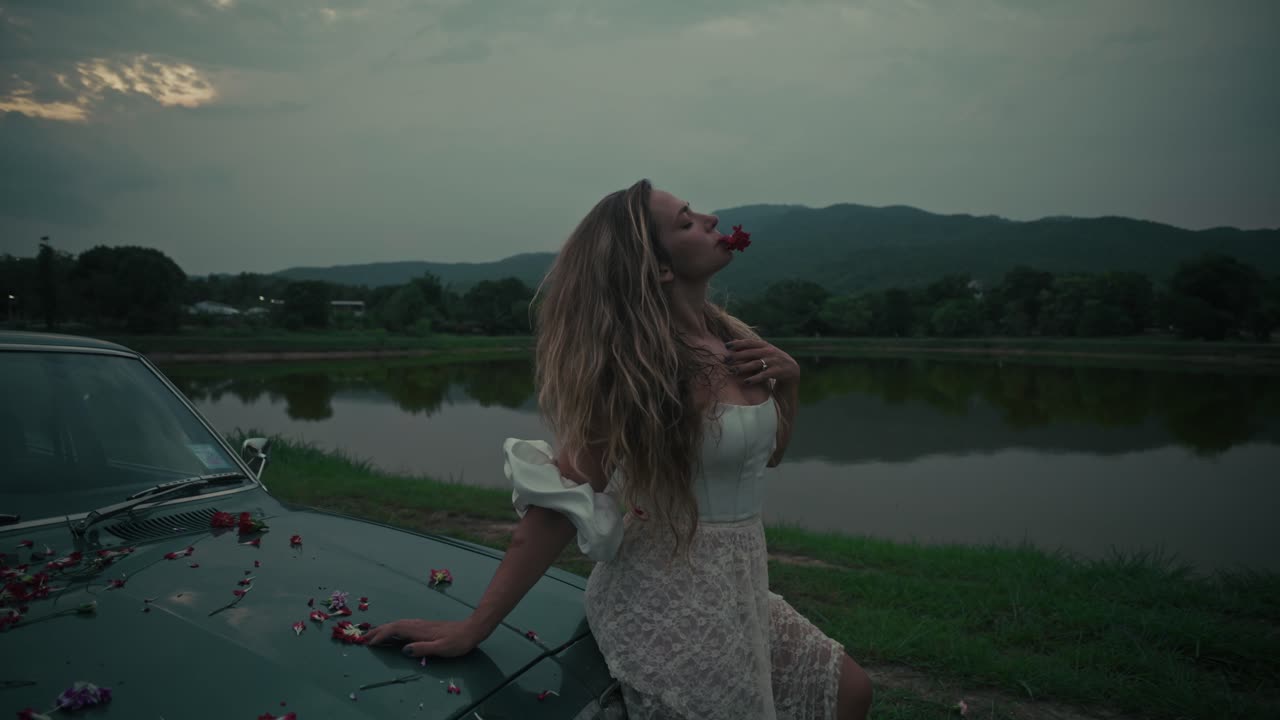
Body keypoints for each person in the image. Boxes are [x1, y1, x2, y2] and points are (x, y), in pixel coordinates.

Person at [366, 179, 873, 719]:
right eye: (685, 221)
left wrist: (789, 386)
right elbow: (560, 505)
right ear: (659, 268)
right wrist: (473, 627)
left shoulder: (733, 341)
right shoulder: (637, 373)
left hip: (740, 590)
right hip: (664, 595)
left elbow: (764, 457)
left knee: (849, 692)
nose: (708, 219)